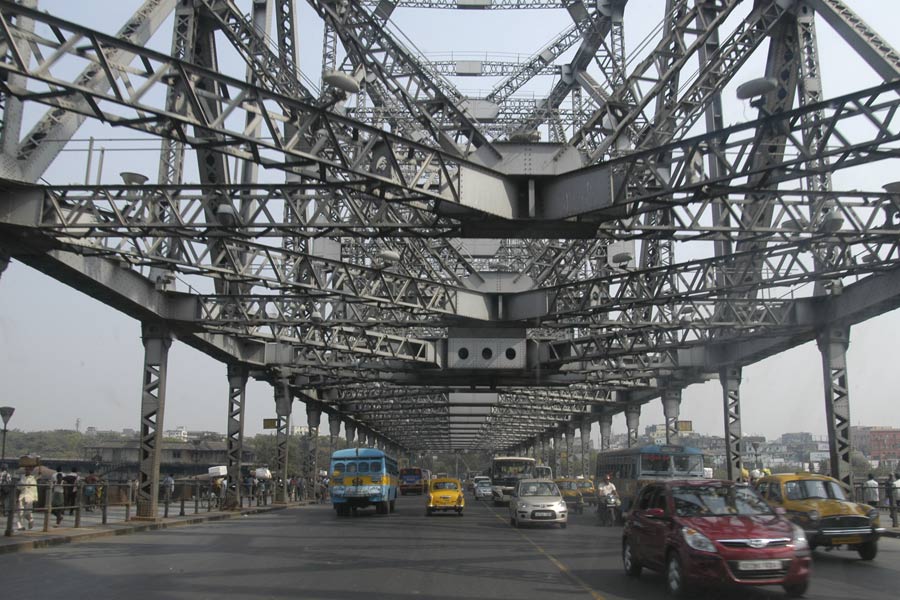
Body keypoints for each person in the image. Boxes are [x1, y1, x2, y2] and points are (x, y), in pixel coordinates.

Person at [16, 466, 38, 530]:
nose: (27, 471)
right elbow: (18, 488)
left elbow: (40, 475)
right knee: (20, 511)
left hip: (29, 496)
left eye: (29, 470)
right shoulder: (22, 477)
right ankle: (20, 526)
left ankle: (31, 520)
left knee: (27, 512)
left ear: (31, 471)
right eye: (26, 469)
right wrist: (17, 498)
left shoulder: (33, 478)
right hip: (22, 495)